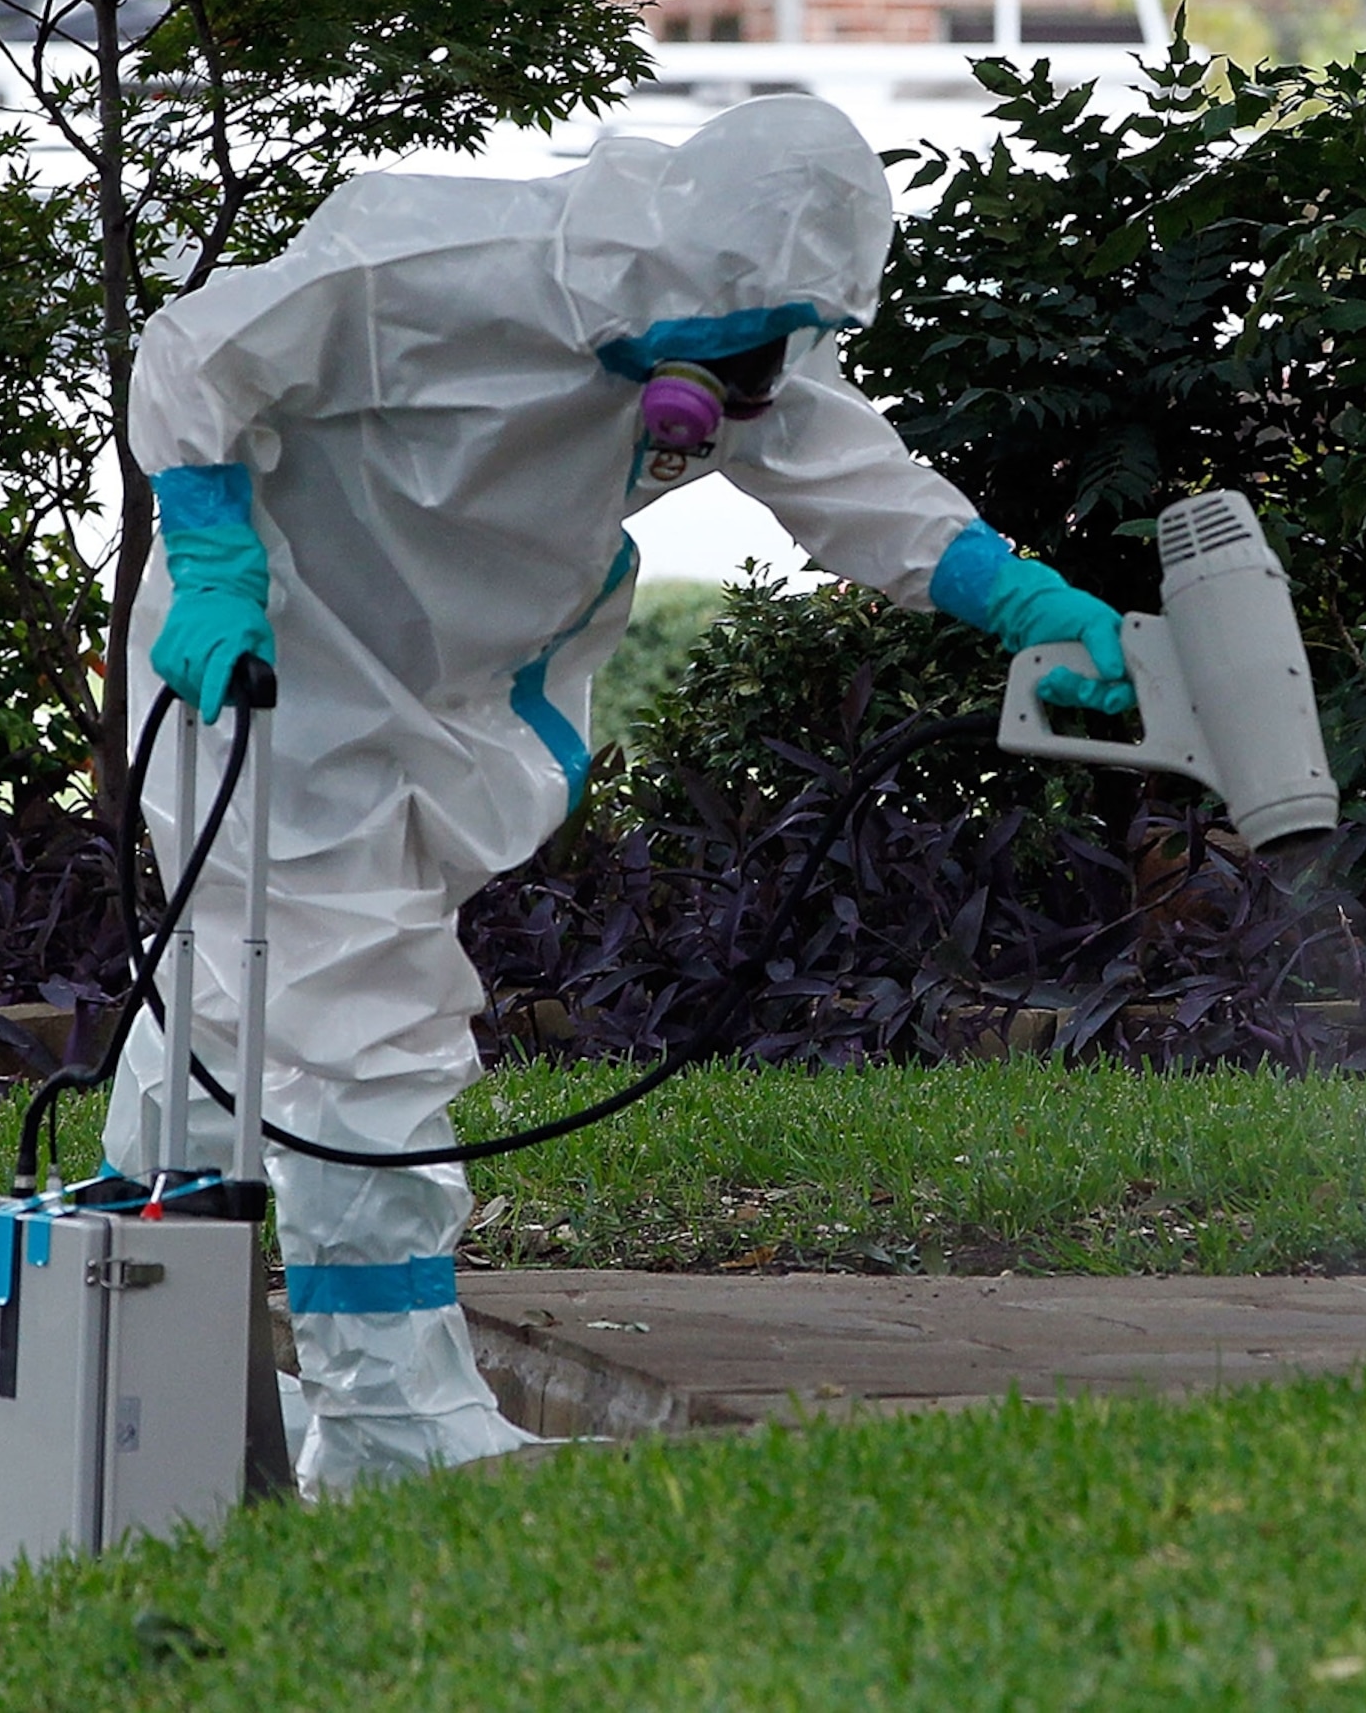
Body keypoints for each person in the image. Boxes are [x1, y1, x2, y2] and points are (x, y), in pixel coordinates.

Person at [103, 95, 1135, 1491]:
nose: (745, 394)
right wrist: (216, 551)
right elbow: (195, 354)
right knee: (365, 1010)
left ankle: (128, 1339)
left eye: (777, 357)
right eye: (736, 359)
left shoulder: (734, 320)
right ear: (673, 281)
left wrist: (1026, 601)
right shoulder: (441, 265)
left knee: (232, 998)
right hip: (276, 656)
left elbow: (852, 480)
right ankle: (393, 1419)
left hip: (436, 682)